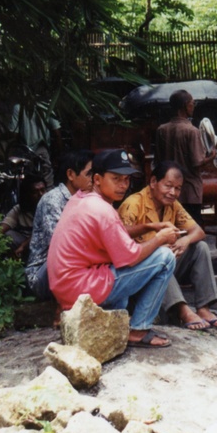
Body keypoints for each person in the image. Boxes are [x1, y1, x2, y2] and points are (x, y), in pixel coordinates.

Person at [47, 149, 177, 348]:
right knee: (166, 257)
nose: (123, 185)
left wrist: (149, 227)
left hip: (68, 287)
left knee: (122, 282)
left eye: (126, 179)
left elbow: (115, 234)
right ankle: (139, 330)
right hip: (81, 288)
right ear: (97, 179)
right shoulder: (103, 210)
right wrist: (160, 238)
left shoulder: (81, 198)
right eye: (116, 179)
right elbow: (131, 257)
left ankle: (115, 325)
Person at [118, 161, 217, 331]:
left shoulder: (172, 204)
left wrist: (184, 240)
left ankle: (203, 308)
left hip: (163, 269)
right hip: (138, 274)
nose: (173, 193)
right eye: (168, 186)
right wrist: (158, 248)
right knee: (163, 256)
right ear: (153, 182)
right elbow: (122, 243)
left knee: (200, 247)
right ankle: (183, 311)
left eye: (177, 188)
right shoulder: (133, 204)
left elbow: (198, 231)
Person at [25, 150, 93, 302]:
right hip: (42, 273)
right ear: (70, 175)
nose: (93, 179)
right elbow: (61, 246)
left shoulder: (85, 197)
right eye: (88, 174)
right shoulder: (52, 200)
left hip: (68, 268)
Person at [154, 89, 211, 224]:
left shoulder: (161, 130)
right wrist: (211, 157)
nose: (193, 106)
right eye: (192, 103)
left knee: (171, 227)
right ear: (185, 105)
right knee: (192, 227)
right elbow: (197, 162)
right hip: (189, 191)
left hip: (168, 190)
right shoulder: (192, 131)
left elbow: (158, 161)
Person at [10, 102, 62, 186]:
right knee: (47, 182)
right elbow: (57, 132)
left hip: (26, 150)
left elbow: (14, 133)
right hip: (42, 150)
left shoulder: (19, 108)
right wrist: (58, 155)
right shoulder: (47, 106)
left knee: (28, 183)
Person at [0, 173, 47, 260]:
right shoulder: (19, 209)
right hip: (26, 247)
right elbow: (3, 227)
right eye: (35, 192)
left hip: (44, 246)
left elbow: (41, 233)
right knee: (8, 236)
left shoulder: (50, 208)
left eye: (42, 190)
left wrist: (23, 246)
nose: (40, 194)